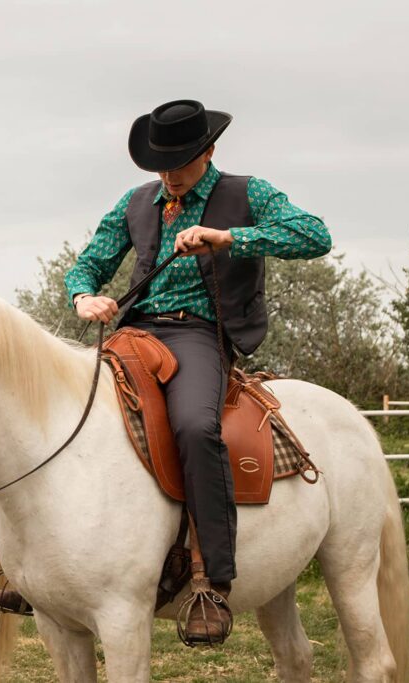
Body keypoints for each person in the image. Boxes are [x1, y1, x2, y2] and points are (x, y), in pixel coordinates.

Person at [64, 100, 332, 642]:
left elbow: (315, 234)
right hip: (134, 332)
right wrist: (83, 296)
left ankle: (211, 578)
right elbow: (90, 260)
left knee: (194, 426)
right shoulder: (138, 202)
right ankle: (34, 567)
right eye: (160, 165)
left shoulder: (247, 193)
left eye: (180, 163)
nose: (168, 176)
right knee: (66, 409)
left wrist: (229, 238)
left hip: (200, 333)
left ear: (209, 152)